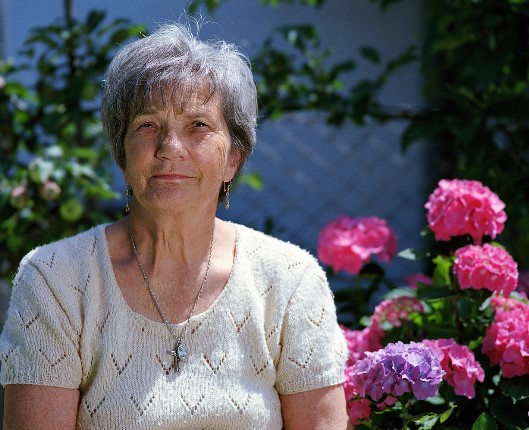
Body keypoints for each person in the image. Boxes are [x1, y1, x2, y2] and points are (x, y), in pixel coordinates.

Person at [0, 21, 351, 429]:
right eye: (147, 125)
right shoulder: (54, 279)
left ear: (233, 158)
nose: (170, 148)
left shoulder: (290, 280)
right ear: (122, 154)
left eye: (198, 126)